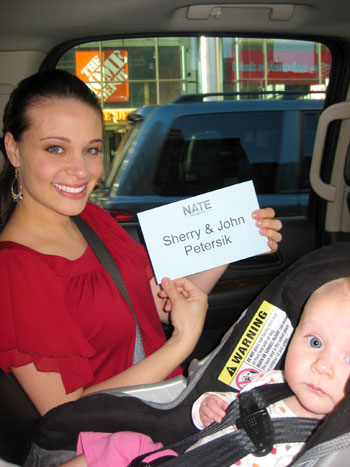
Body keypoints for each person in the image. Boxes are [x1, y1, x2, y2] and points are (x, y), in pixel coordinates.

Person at [0, 69, 282, 417]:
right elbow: (65, 414)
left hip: (165, 408)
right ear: (14, 150)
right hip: (115, 439)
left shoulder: (91, 219)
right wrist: (181, 344)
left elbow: (159, 304)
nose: (81, 170)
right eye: (56, 149)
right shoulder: (14, 270)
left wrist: (232, 240)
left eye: (91, 150)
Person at [61, 277, 350, 467]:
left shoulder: (331, 446)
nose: (322, 365)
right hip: (184, 458)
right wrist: (208, 407)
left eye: (348, 358)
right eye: (314, 342)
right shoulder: (272, 381)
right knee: (123, 444)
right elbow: (228, 406)